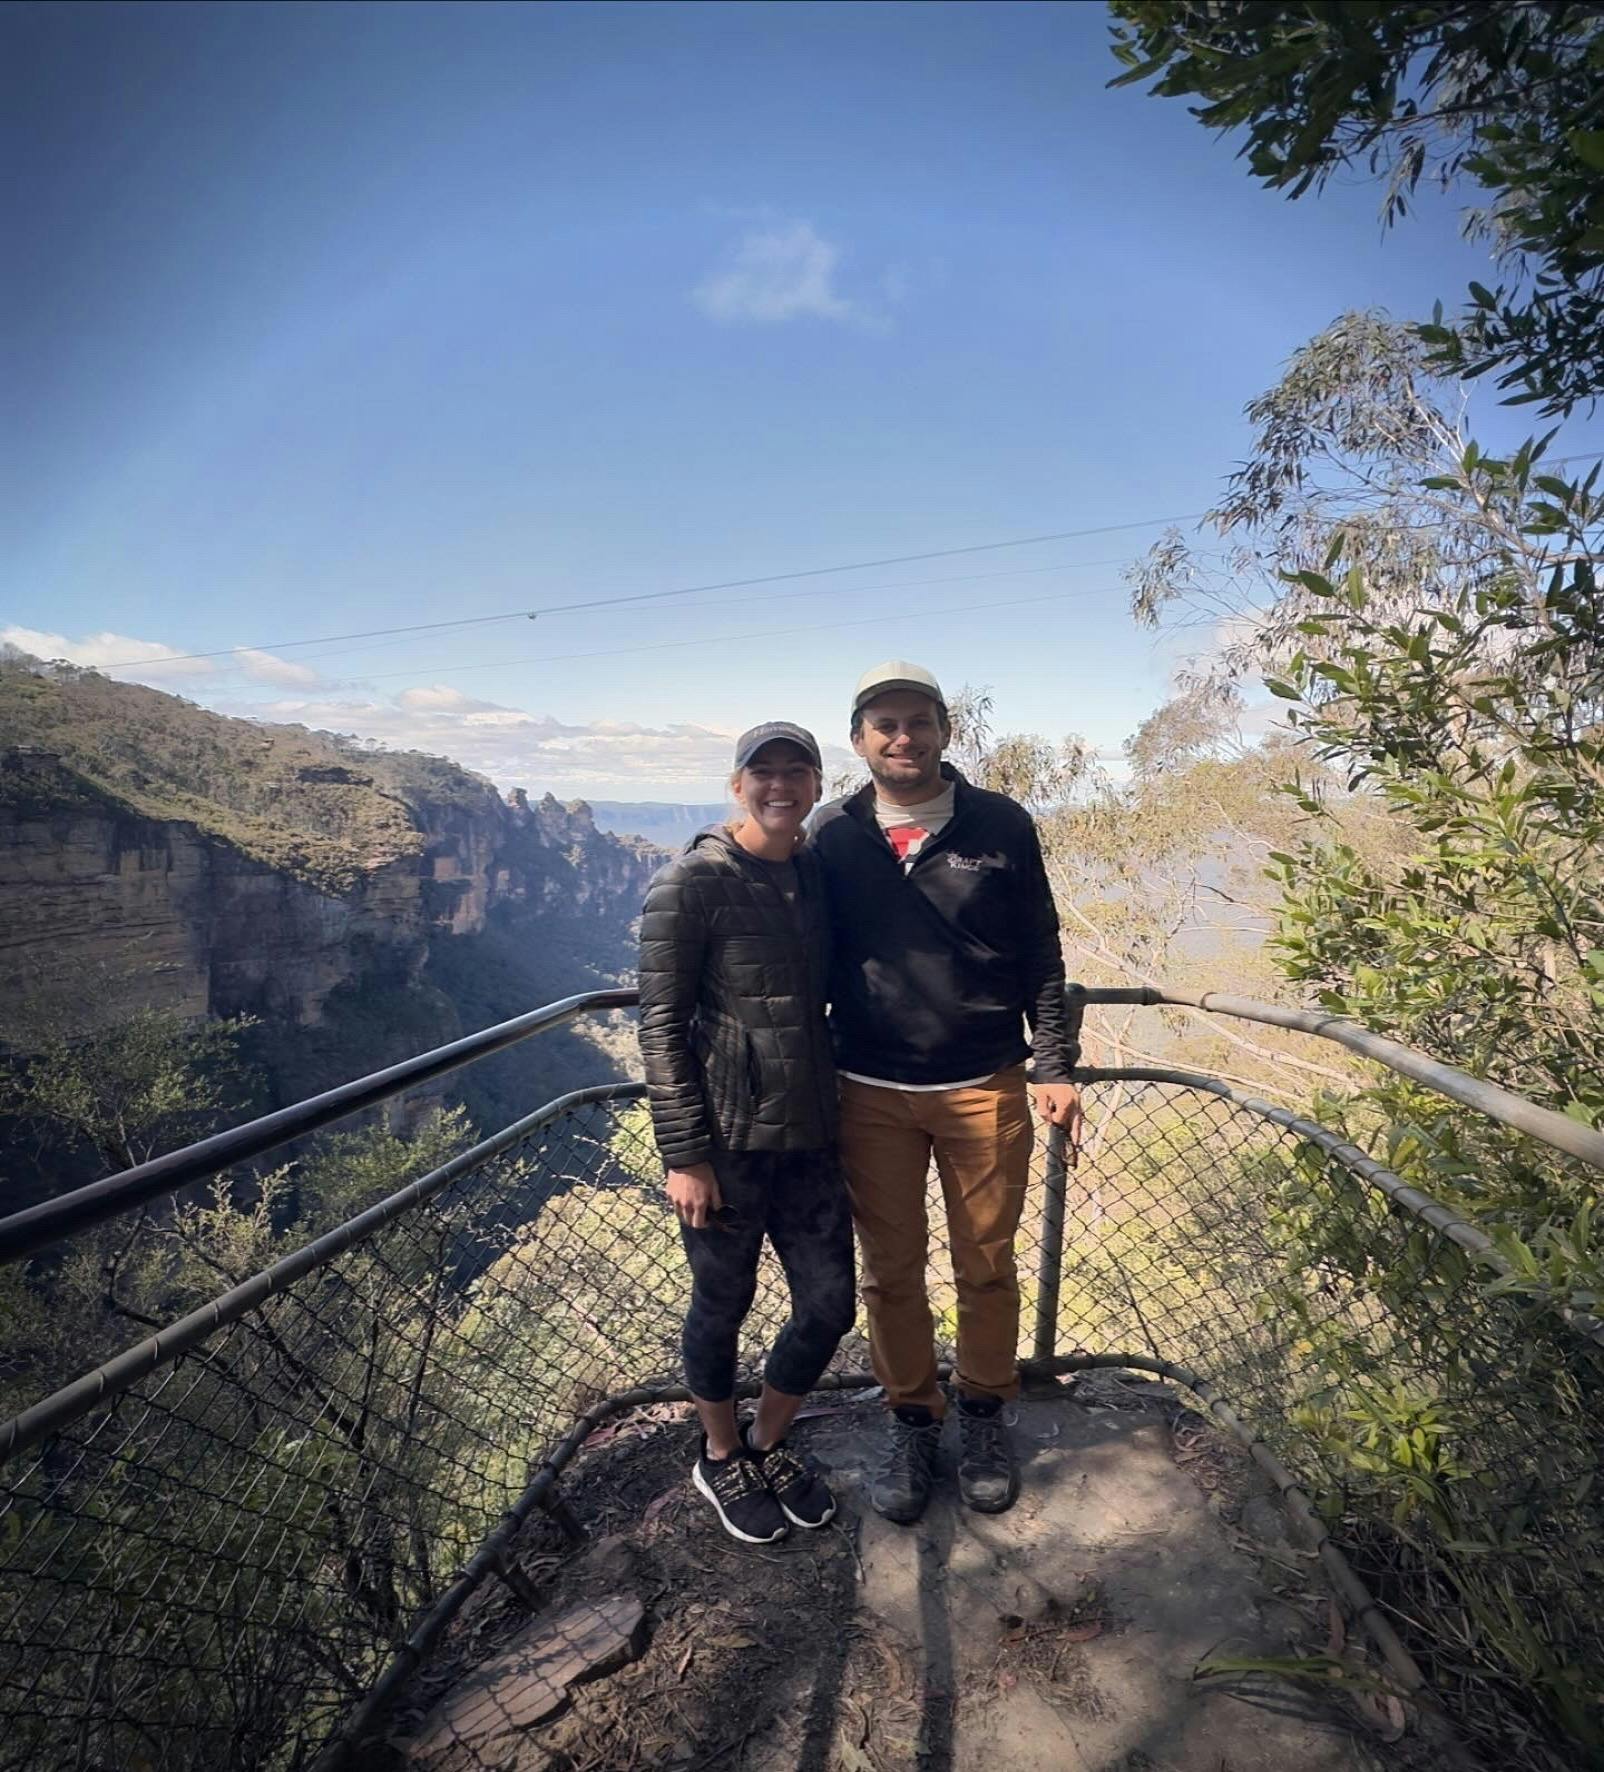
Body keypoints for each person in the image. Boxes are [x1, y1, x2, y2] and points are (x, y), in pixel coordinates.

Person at [810, 661, 1085, 1523]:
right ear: (859, 741)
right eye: (885, 725)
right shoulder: (832, 832)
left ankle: (985, 1411)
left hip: (984, 1084)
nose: (904, 738)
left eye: (919, 722)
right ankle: (912, 1418)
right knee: (891, 1274)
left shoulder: (999, 823)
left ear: (945, 732)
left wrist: (1055, 1064)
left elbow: (1040, 948)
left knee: (986, 1265)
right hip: (867, 1089)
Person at [637, 721, 856, 1544]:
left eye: (796, 772)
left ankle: (768, 1438)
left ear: (814, 785)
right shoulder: (690, 883)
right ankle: (721, 1454)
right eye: (763, 773)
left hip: (811, 1137)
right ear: (737, 785)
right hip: (725, 1142)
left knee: (830, 1303)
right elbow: (659, 1028)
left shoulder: (814, 874)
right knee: (723, 1301)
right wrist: (685, 1154)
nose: (779, 786)